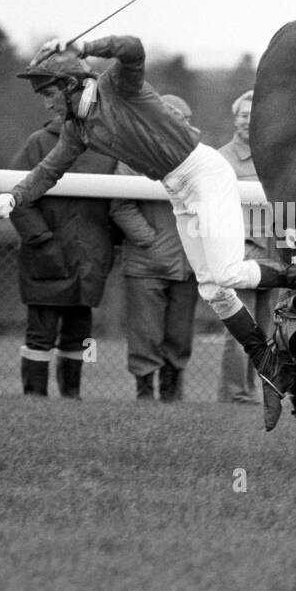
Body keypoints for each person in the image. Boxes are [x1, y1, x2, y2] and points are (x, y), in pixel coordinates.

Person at [0, 36, 296, 429]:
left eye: (49, 92)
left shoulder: (119, 86)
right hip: (177, 187)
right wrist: (13, 199)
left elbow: (133, 48)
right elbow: (48, 171)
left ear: (72, 85)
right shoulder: (77, 131)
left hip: (204, 174)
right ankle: (268, 361)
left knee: (226, 274)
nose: (47, 103)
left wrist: (83, 46)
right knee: (213, 289)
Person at [9, 65, 117, 399]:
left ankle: (72, 396)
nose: (46, 105)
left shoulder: (112, 146)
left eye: (49, 95)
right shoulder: (38, 143)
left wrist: (111, 245)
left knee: (79, 334)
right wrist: (42, 241)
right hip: (47, 259)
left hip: (90, 260)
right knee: (40, 334)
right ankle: (34, 398)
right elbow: (16, 197)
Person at [109, 94, 197, 401]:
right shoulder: (133, 155)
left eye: (184, 120)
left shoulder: (200, 158)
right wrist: (150, 240)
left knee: (179, 336)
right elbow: (120, 205)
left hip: (188, 263)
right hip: (146, 264)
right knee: (145, 335)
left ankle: (172, 396)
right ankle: (145, 396)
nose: (180, 125)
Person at [215, 89, 278, 403]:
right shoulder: (222, 158)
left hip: (274, 251)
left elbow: (284, 204)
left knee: (266, 330)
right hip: (240, 249)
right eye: (242, 116)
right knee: (239, 326)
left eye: (253, 117)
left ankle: (256, 390)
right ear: (234, 118)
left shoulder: (274, 156)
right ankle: (235, 394)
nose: (247, 122)